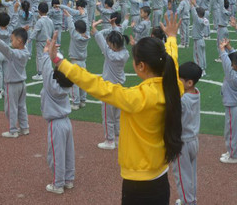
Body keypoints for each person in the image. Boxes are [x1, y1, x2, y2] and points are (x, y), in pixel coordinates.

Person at [45, 15, 183, 205]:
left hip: (137, 184)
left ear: (141, 66)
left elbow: (96, 85)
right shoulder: (174, 86)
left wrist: (58, 60)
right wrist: (172, 38)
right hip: (160, 178)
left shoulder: (136, 98)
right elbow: (172, 60)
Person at [39, 55, 76, 194]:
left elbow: (46, 69)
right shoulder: (65, 87)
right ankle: (68, 179)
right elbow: (50, 71)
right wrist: (54, 53)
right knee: (68, 152)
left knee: (55, 155)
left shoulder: (51, 86)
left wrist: (46, 53)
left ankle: (58, 184)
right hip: (66, 122)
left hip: (56, 124)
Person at [93, 26, 130, 150]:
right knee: (117, 115)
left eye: (109, 43)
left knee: (107, 116)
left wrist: (95, 28)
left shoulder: (109, 54)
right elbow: (118, 39)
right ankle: (118, 138)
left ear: (113, 45)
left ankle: (109, 140)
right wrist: (114, 27)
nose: (107, 44)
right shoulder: (125, 54)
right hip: (119, 88)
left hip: (108, 89)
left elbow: (99, 37)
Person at [172, 62, 202, 205]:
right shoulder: (196, 93)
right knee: (191, 174)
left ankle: (188, 202)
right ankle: (191, 199)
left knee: (182, 176)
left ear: (189, 83)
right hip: (193, 140)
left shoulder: (183, 100)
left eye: (180, 80)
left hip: (182, 142)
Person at [0, 27, 30, 138]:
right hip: (22, 84)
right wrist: (23, 30)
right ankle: (24, 128)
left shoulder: (14, 54)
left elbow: (5, 48)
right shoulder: (26, 51)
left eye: (12, 40)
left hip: (12, 85)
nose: (11, 42)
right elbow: (16, 46)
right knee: (22, 107)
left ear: (19, 41)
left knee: (10, 108)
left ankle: (13, 130)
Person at [217, 38, 237, 164]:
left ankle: (233, 156)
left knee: (230, 132)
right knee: (236, 133)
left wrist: (222, 49)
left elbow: (225, 62)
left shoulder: (231, 75)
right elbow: (235, 60)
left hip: (232, 108)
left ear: (233, 65)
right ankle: (234, 152)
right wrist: (229, 48)